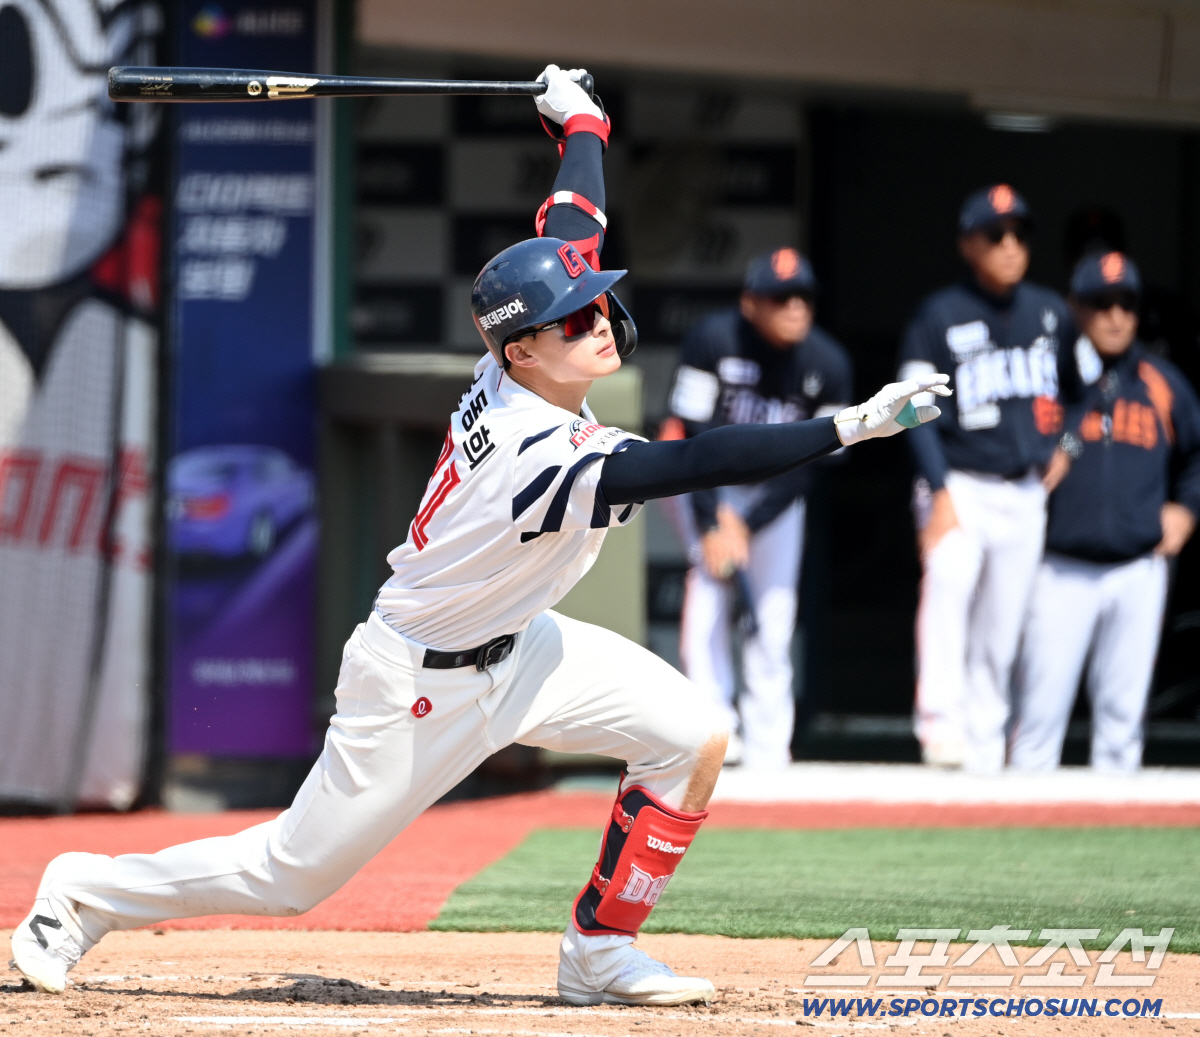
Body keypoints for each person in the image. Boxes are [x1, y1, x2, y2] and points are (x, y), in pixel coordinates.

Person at [11, 65, 950, 1005]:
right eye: (571, 320)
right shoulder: (532, 451)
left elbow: (574, 223)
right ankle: (84, 893)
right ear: (524, 349)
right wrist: (847, 426)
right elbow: (694, 461)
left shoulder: (518, 363)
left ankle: (600, 948)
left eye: (594, 305)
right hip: (416, 682)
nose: (597, 322)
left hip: (523, 646)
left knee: (692, 735)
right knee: (288, 876)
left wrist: (582, 124)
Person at [898, 184, 1071, 772]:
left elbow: (1088, 390)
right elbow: (912, 407)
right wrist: (939, 490)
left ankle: (986, 737)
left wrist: (1068, 445)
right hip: (959, 482)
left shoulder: (1050, 312)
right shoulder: (939, 314)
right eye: (996, 235)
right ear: (968, 244)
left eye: (1020, 234)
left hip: (1024, 489)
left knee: (1004, 621)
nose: (1011, 245)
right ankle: (941, 728)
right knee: (948, 591)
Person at [1010, 252, 1200, 771]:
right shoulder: (1046, 379)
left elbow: (1196, 455)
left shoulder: (1162, 382)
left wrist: (1186, 508)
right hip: (1058, 568)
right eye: (1101, 304)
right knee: (1037, 720)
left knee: (1122, 726)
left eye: (1127, 304)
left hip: (1138, 569)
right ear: (1075, 308)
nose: (1116, 317)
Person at [664, 252, 851, 768]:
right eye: (781, 298)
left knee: (774, 612)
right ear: (751, 303)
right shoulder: (713, 340)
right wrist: (713, 519)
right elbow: (689, 432)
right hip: (708, 484)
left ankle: (770, 745)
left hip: (777, 495)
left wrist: (747, 523)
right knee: (709, 590)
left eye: (804, 297)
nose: (795, 308)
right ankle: (711, 734)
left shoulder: (828, 362)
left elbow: (816, 464)